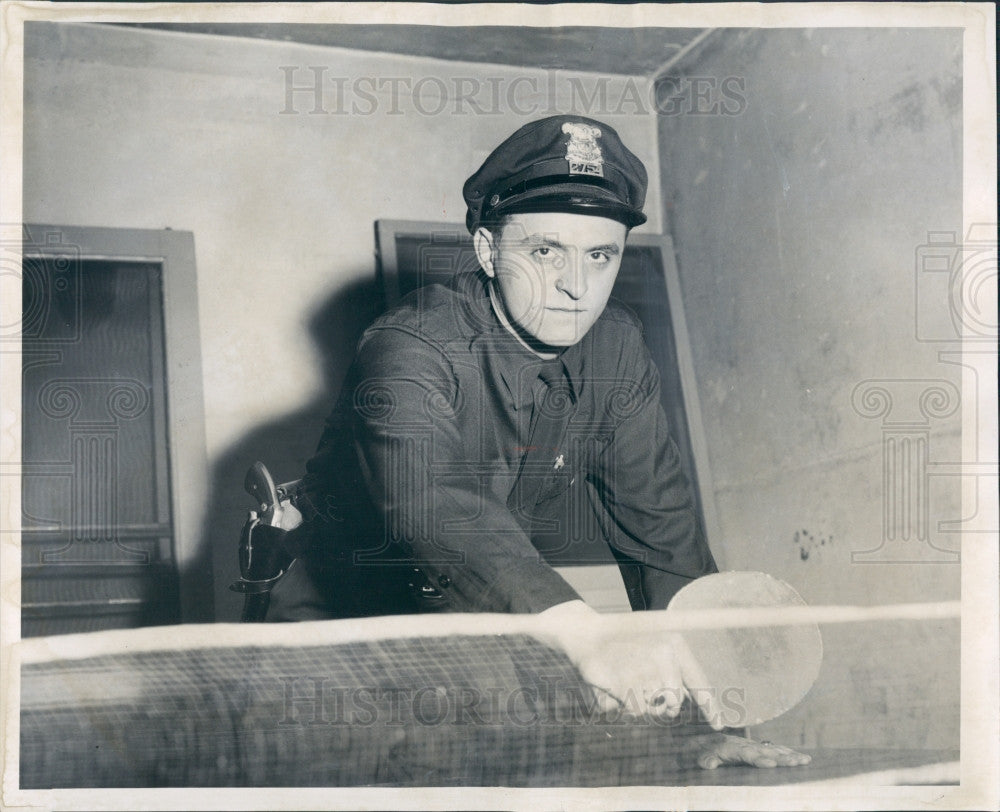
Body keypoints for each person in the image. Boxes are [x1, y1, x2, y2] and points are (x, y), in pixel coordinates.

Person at [265, 115, 809, 769]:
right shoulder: (408, 347)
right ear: (490, 252)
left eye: (600, 255)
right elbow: (433, 503)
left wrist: (703, 721)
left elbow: (663, 538)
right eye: (546, 251)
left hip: (486, 620)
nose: (578, 285)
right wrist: (588, 637)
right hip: (340, 636)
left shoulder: (617, 351)